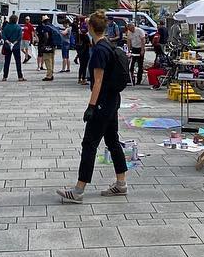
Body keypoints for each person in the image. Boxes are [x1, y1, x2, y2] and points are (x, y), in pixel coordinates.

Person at [58, 10, 129, 203]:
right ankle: (121, 183)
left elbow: (97, 81)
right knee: (113, 141)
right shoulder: (108, 45)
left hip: (102, 103)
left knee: (89, 144)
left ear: (90, 28)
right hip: (113, 100)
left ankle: (79, 190)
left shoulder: (99, 50)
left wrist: (91, 106)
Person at [1, 15, 25, 81]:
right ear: (16, 20)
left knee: (7, 62)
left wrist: (8, 42)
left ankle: (5, 76)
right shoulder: (18, 27)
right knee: (18, 62)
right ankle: (20, 76)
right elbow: (20, 37)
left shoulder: (6, 27)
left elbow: (3, 35)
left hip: (7, 46)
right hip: (16, 47)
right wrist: (14, 43)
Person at [124, 21, 146, 85]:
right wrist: (128, 50)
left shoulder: (139, 31)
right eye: (129, 29)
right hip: (134, 48)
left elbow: (143, 41)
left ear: (133, 27)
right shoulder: (129, 32)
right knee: (132, 64)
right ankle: (131, 79)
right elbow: (128, 41)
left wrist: (142, 50)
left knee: (140, 65)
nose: (130, 30)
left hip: (140, 47)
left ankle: (139, 79)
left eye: (131, 29)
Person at [75, 18, 92, 85]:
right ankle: (84, 79)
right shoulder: (86, 36)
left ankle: (79, 78)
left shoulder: (78, 36)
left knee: (81, 66)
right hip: (86, 52)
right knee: (84, 66)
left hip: (80, 52)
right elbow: (90, 44)